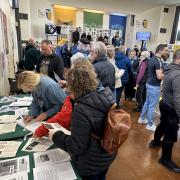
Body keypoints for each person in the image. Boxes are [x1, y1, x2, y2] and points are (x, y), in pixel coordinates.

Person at [48, 61, 116, 179]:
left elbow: (76, 146)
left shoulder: (81, 109)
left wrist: (56, 136)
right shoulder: (107, 94)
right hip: (108, 154)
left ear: (74, 87)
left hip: (90, 163)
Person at [149, 50, 180, 173]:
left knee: (163, 124)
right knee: (170, 135)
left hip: (165, 103)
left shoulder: (169, 68)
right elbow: (178, 98)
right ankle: (165, 159)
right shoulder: (177, 74)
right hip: (171, 107)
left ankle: (155, 142)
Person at [138, 44, 168, 132]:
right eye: (165, 50)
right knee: (152, 105)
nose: (167, 52)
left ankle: (142, 118)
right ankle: (150, 124)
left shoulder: (152, 59)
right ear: (160, 50)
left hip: (149, 84)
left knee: (147, 102)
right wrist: (168, 74)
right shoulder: (158, 61)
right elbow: (159, 76)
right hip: (154, 86)